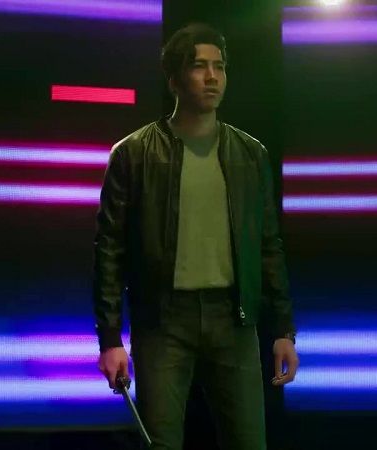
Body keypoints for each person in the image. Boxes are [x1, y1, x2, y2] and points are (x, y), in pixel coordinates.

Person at [91, 23, 299, 450]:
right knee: (162, 442)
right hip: (163, 321)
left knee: (248, 441)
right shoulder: (134, 154)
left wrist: (283, 329)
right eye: (199, 66)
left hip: (233, 319)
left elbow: (268, 245)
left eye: (219, 67)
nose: (212, 77)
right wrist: (110, 339)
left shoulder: (249, 154)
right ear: (174, 80)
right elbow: (109, 250)